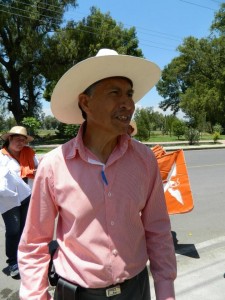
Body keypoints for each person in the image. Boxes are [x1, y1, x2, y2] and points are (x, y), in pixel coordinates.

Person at [18, 49, 177, 300]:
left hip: (135, 290)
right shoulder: (54, 165)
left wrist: (166, 292)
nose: (128, 104)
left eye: (129, 94)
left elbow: (158, 230)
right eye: (115, 93)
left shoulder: (145, 160)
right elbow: (34, 243)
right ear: (85, 102)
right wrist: (36, 296)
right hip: (76, 293)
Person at [0, 126, 38, 278]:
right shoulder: (2, 157)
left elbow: (39, 168)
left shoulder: (29, 153)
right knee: (13, 229)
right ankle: (12, 261)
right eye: (17, 139)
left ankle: (23, 256)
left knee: (24, 228)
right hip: (9, 200)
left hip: (27, 195)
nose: (21, 142)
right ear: (10, 139)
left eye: (23, 140)